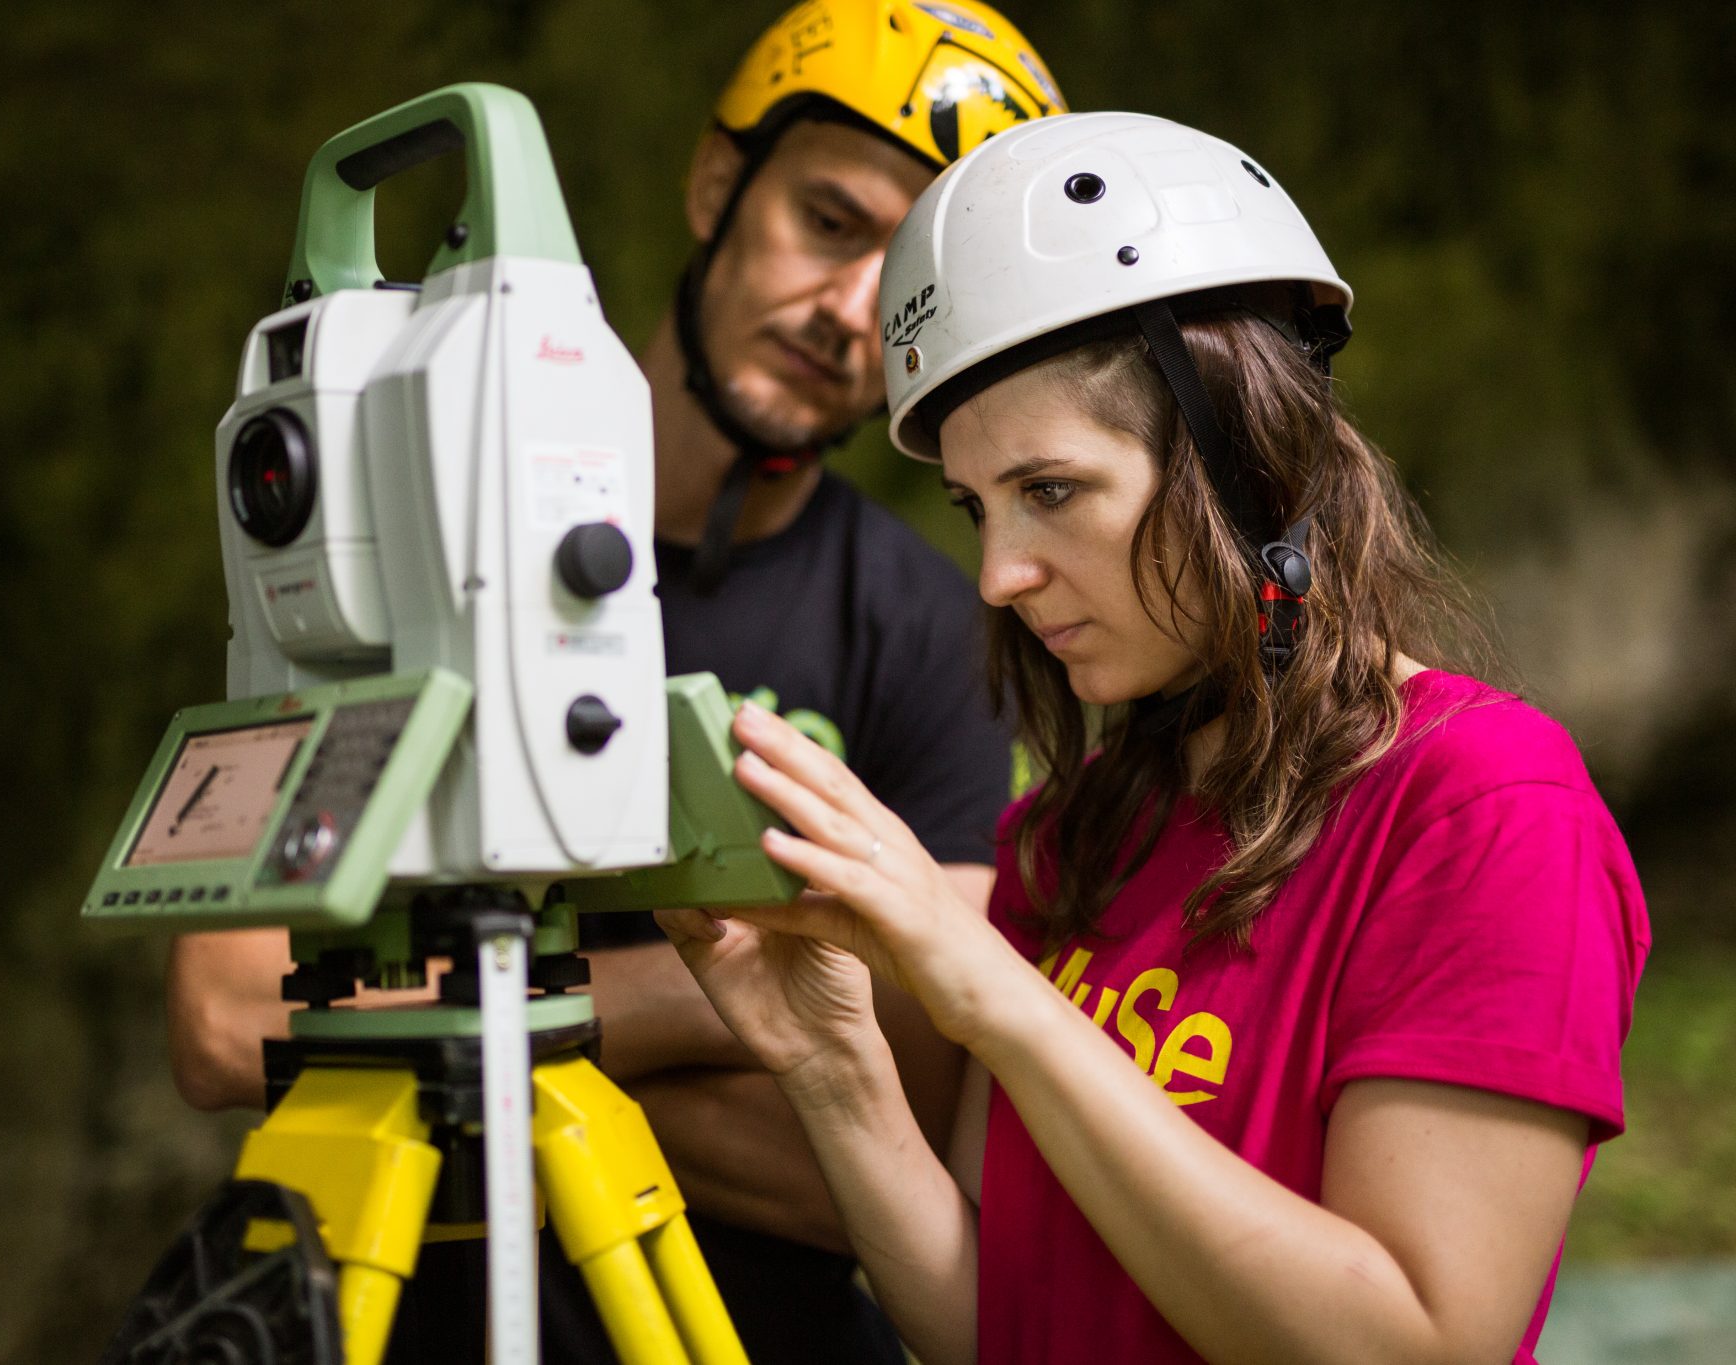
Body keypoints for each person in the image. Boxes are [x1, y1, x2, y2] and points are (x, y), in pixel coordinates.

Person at [657, 111, 1650, 1365]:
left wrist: (998, 1003)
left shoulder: (1482, 808)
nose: (999, 574)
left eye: (1051, 491)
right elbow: (992, 1328)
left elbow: (1412, 1345)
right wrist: (832, 1064)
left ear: (1247, 455)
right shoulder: (1067, 839)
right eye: (977, 509)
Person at [164, 4, 1067, 1361]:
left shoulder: (944, 629)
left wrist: (445, 1037)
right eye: (829, 220)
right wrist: (732, 995)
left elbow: (889, 1166)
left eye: (910, 286)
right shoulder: (396, 529)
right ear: (720, 186)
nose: (850, 311)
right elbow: (229, 1016)